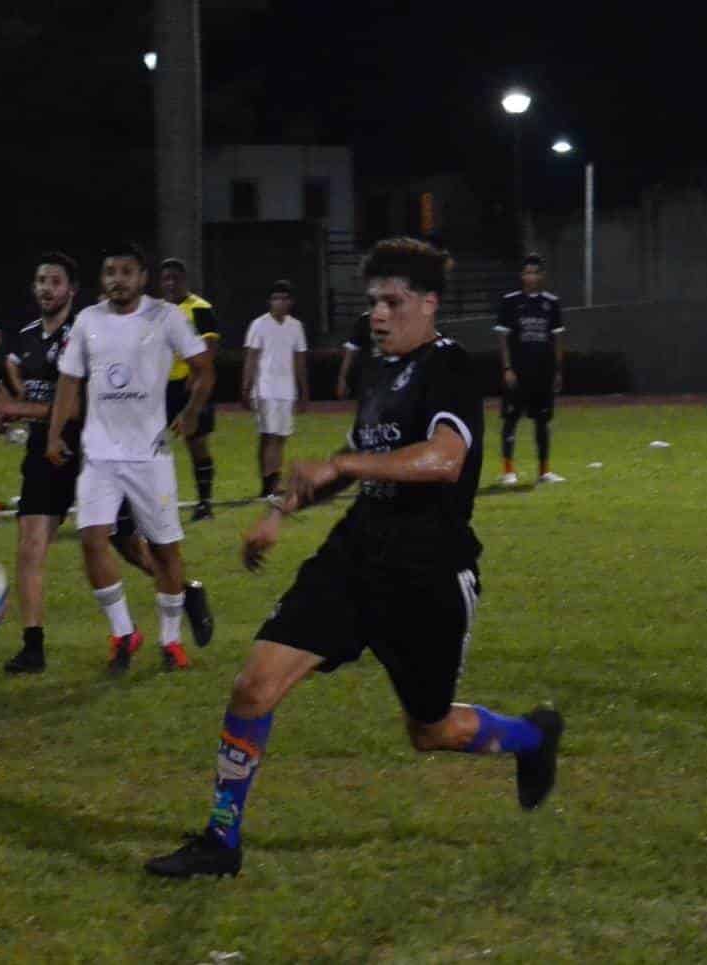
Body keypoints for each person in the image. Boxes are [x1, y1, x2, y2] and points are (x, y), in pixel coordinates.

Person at [145, 237, 563, 880]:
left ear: (428, 305)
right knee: (254, 686)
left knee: (428, 732)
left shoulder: (448, 367)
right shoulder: (378, 368)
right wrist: (280, 514)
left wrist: (344, 462)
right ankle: (221, 842)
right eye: (373, 302)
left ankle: (533, 737)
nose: (378, 315)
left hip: (428, 574)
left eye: (393, 302)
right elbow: (363, 450)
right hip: (356, 555)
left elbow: (444, 459)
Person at [0, 253, 214, 675]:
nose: (46, 288)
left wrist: (192, 410)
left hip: (125, 452)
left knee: (148, 548)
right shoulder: (59, 329)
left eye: (55, 281)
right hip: (77, 455)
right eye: (40, 280)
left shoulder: (142, 320)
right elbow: (59, 384)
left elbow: (199, 367)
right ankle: (73, 640)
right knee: (63, 542)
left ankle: (176, 615)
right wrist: (36, 427)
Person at [47, 242, 216, 674]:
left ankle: (171, 640)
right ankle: (123, 633)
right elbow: (69, 381)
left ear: (142, 278)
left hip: (150, 455)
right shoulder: (88, 321)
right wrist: (55, 434)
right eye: (109, 272)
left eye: (126, 272)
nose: (117, 280)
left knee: (164, 550)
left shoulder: (166, 317)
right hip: (100, 454)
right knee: (92, 538)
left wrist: (192, 412)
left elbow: (204, 368)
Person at [495, 254, 565, 486]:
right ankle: (508, 471)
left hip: (542, 373)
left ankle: (544, 471)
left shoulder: (551, 303)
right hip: (518, 371)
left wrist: (557, 371)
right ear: (521, 275)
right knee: (511, 419)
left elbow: (557, 340)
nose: (531, 277)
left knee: (542, 421)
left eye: (535, 272)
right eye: (527, 272)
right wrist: (507, 368)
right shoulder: (510, 302)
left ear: (542, 276)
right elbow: (503, 338)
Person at [159, 258, 221, 521]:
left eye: (176, 278)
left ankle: (204, 503)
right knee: (154, 448)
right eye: (166, 279)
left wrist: (196, 380)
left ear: (184, 280)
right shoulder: (157, 311)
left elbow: (209, 350)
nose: (171, 283)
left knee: (196, 443)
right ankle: (158, 505)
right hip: (161, 387)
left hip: (191, 384)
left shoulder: (200, 308)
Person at [242, 280, 310, 498]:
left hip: (286, 389)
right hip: (265, 388)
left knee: (280, 437)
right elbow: (251, 358)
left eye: (284, 298)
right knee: (269, 436)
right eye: (275, 298)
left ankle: (271, 481)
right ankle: (270, 484)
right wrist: (246, 387)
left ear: (291, 302)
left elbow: (299, 360)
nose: (279, 302)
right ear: (270, 301)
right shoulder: (259, 325)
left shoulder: (295, 326)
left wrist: (303, 390)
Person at [335, 310, 373, 401]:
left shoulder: (398, 317)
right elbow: (350, 351)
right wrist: (342, 379)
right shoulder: (364, 320)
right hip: (368, 375)